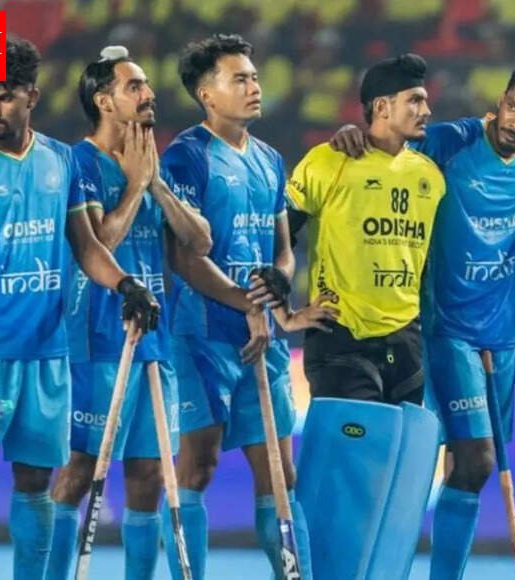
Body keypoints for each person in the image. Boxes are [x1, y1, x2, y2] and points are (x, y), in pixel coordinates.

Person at [330, 58, 515, 579]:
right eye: (512, 106)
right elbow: (385, 146)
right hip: (446, 330)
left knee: (469, 469)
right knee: (474, 460)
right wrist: (351, 135)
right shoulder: (452, 142)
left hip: (502, 335)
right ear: (502, 97)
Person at [0, 37, 160, 580]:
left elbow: (88, 246)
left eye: (4, 97)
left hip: (49, 352)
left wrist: (126, 284)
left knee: (36, 482)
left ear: (31, 97)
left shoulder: (63, 161)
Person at [44, 46, 213, 580]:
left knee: (148, 477)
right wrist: (136, 186)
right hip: (96, 336)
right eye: (134, 86)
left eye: (146, 84)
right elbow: (100, 243)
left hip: (154, 336)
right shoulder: (79, 162)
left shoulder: (150, 161)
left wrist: (155, 182)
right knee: (79, 470)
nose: (149, 94)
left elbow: (200, 241)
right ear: (104, 101)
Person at [159, 33, 321, 579]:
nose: (255, 87)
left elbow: (283, 251)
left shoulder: (271, 159)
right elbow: (183, 257)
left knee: (280, 475)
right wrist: (245, 302)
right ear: (207, 94)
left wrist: (278, 282)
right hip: (201, 335)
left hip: (263, 341)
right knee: (198, 467)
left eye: (254, 77)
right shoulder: (186, 156)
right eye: (240, 79)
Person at [287, 53, 443, 406]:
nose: (426, 110)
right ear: (382, 106)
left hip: (407, 342)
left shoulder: (431, 176)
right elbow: (278, 236)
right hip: (341, 337)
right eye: (415, 100)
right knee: (355, 443)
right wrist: (285, 312)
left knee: (399, 444)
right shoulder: (328, 160)